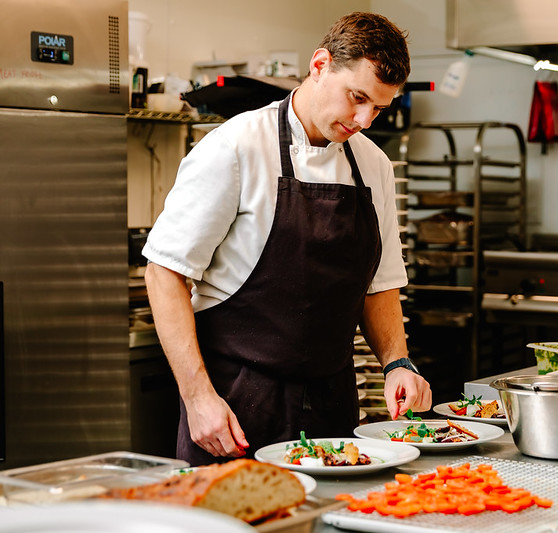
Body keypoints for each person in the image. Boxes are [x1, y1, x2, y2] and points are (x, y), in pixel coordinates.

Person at [143, 12, 432, 465]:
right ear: (320, 65)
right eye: (356, 97)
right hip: (235, 405)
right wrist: (198, 397)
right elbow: (164, 273)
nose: (363, 120)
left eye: (378, 107)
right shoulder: (235, 146)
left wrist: (397, 362)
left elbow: (379, 285)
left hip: (332, 406)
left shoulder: (374, 165)